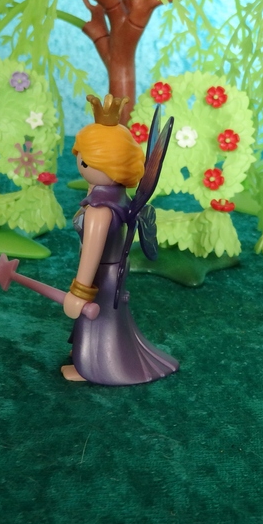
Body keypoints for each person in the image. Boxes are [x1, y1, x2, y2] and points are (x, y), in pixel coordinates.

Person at [61, 94, 179, 385]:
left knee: (98, 317)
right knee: (104, 317)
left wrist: (79, 291)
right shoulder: (115, 195)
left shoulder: (99, 211)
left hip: (101, 273)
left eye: (83, 158)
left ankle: (93, 366)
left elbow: (92, 251)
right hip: (112, 271)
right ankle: (87, 356)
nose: (78, 162)